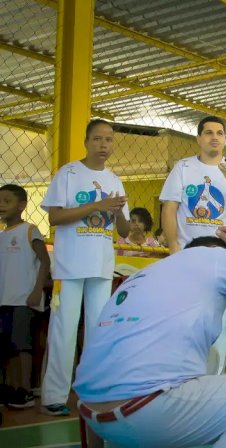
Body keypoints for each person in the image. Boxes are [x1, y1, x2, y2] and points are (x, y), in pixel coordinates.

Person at [73, 227, 226, 448]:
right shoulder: (218, 258)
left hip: (92, 415)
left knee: (207, 362)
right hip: (146, 412)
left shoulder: (145, 274)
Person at [41, 119, 130, 416]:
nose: (104, 145)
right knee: (63, 330)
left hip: (102, 267)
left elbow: (125, 231)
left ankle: (93, 389)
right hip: (69, 266)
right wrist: (96, 206)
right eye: (97, 139)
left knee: (98, 331)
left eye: (109, 140)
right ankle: (54, 394)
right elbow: (54, 217)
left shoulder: (115, 180)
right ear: (86, 141)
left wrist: (117, 213)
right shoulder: (68, 173)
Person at [159, 116, 226, 254]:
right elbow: (169, 209)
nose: (215, 137)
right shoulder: (183, 167)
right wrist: (173, 246)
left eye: (219, 133)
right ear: (198, 139)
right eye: (209, 133)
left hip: (223, 252)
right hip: (187, 251)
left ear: (225, 139)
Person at [0, 184, 50, 409]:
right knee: (8, 346)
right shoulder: (2, 236)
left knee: (22, 345)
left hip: (23, 298)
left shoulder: (30, 229)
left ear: (21, 205)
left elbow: (45, 261)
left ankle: (26, 391)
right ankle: (12, 387)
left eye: (7, 201)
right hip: (5, 300)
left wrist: (37, 289)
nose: (1, 205)